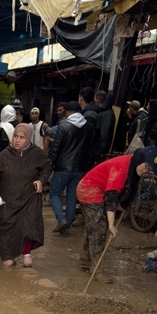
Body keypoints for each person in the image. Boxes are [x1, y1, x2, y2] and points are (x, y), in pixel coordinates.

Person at [75, 145, 157, 279]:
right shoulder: (122, 168)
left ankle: (84, 259)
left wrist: (126, 206)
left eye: (149, 169)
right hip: (89, 189)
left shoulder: (134, 166)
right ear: (141, 160)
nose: (146, 170)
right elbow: (112, 197)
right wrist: (111, 224)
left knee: (94, 227)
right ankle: (97, 270)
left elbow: (130, 190)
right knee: (99, 229)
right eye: (145, 166)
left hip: (98, 189)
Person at [0, 123, 53, 268]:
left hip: (29, 196)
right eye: (16, 137)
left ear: (28, 138)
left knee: (28, 224)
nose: (17, 140)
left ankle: (26, 253)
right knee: (5, 226)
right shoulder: (4, 155)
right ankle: (8, 255)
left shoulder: (36, 153)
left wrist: (41, 180)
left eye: (22, 137)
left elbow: (47, 167)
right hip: (7, 199)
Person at [47, 100, 89, 234]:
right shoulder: (88, 126)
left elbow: (55, 147)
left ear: (68, 112)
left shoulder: (64, 125)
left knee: (54, 194)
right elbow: (91, 148)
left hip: (63, 167)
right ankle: (66, 227)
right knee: (71, 197)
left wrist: (49, 162)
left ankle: (61, 219)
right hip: (79, 168)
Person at [79, 86, 101, 168]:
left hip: (87, 157)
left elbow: (88, 138)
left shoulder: (89, 115)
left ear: (81, 98)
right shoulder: (91, 112)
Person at [94, 90, 115, 162]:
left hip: (100, 152)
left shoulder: (106, 114)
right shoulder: (105, 113)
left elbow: (104, 136)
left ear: (97, 100)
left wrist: (99, 153)